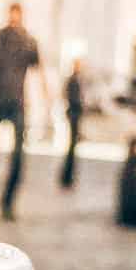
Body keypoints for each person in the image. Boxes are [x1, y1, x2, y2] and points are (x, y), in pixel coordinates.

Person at [0, 2, 49, 221]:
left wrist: (46, 98)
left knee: (18, 155)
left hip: (17, 103)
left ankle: (8, 202)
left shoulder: (29, 41)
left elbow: (39, 69)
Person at [60, 58, 87, 189]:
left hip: (75, 114)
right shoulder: (73, 80)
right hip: (74, 115)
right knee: (71, 147)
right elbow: (73, 98)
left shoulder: (77, 80)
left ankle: (68, 177)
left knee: (73, 148)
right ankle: (66, 177)